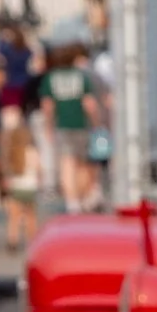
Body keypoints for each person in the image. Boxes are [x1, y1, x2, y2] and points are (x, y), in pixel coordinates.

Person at [42, 42, 100, 212]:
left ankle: (71, 201)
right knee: (82, 163)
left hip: (62, 125)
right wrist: (97, 124)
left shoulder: (51, 78)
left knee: (67, 163)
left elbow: (48, 106)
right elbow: (89, 103)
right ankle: (83, 197)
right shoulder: (80, 76)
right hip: (81, 124)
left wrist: (48, 126)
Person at [0, 117, 38, 250]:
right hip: (30, 187)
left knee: (14, 216)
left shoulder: (12, 153)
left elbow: (8, 172)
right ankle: (32, 239)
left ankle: (12, 239)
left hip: (17, 187)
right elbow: (38, 168)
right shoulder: (31, 152)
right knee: (30, 215)